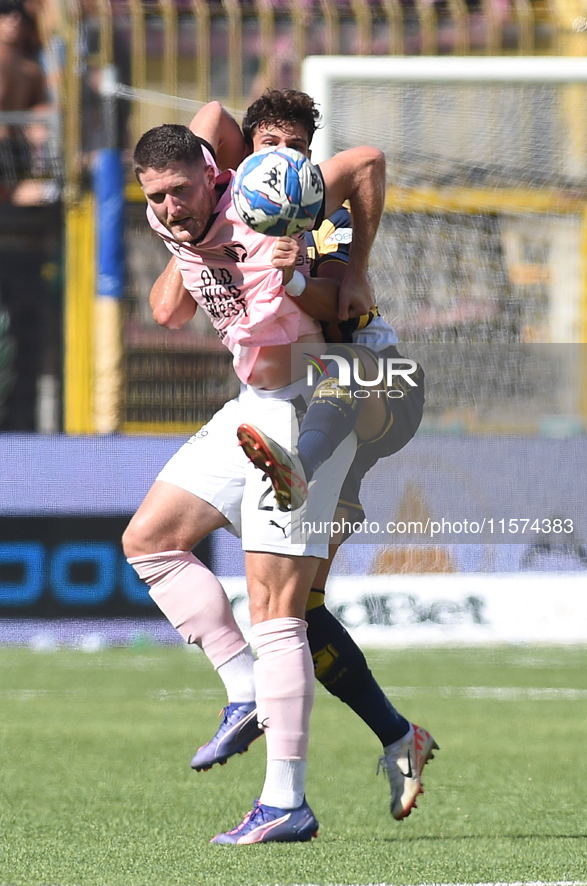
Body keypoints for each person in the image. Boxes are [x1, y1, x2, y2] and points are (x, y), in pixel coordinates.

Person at [147, 90, 438, 823]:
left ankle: (284, 799)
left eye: (295, 145)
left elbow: (338, 297)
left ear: (309, 155)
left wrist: (303, 267)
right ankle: (399, 736)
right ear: (241, 153)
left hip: (361, 377)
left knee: (280, 600)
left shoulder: (312, 211)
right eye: (267, 140)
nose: (282, 155)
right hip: (276, 399)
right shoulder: (218, 200)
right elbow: (207, 123)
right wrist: (195, 236)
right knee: (297, 609)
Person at [0, 0, 48, 202]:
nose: (14, 19)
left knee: (33, 195)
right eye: (5, 12)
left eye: (18, 13)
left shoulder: (31, 69)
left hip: (16, 149)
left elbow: (40, 107)